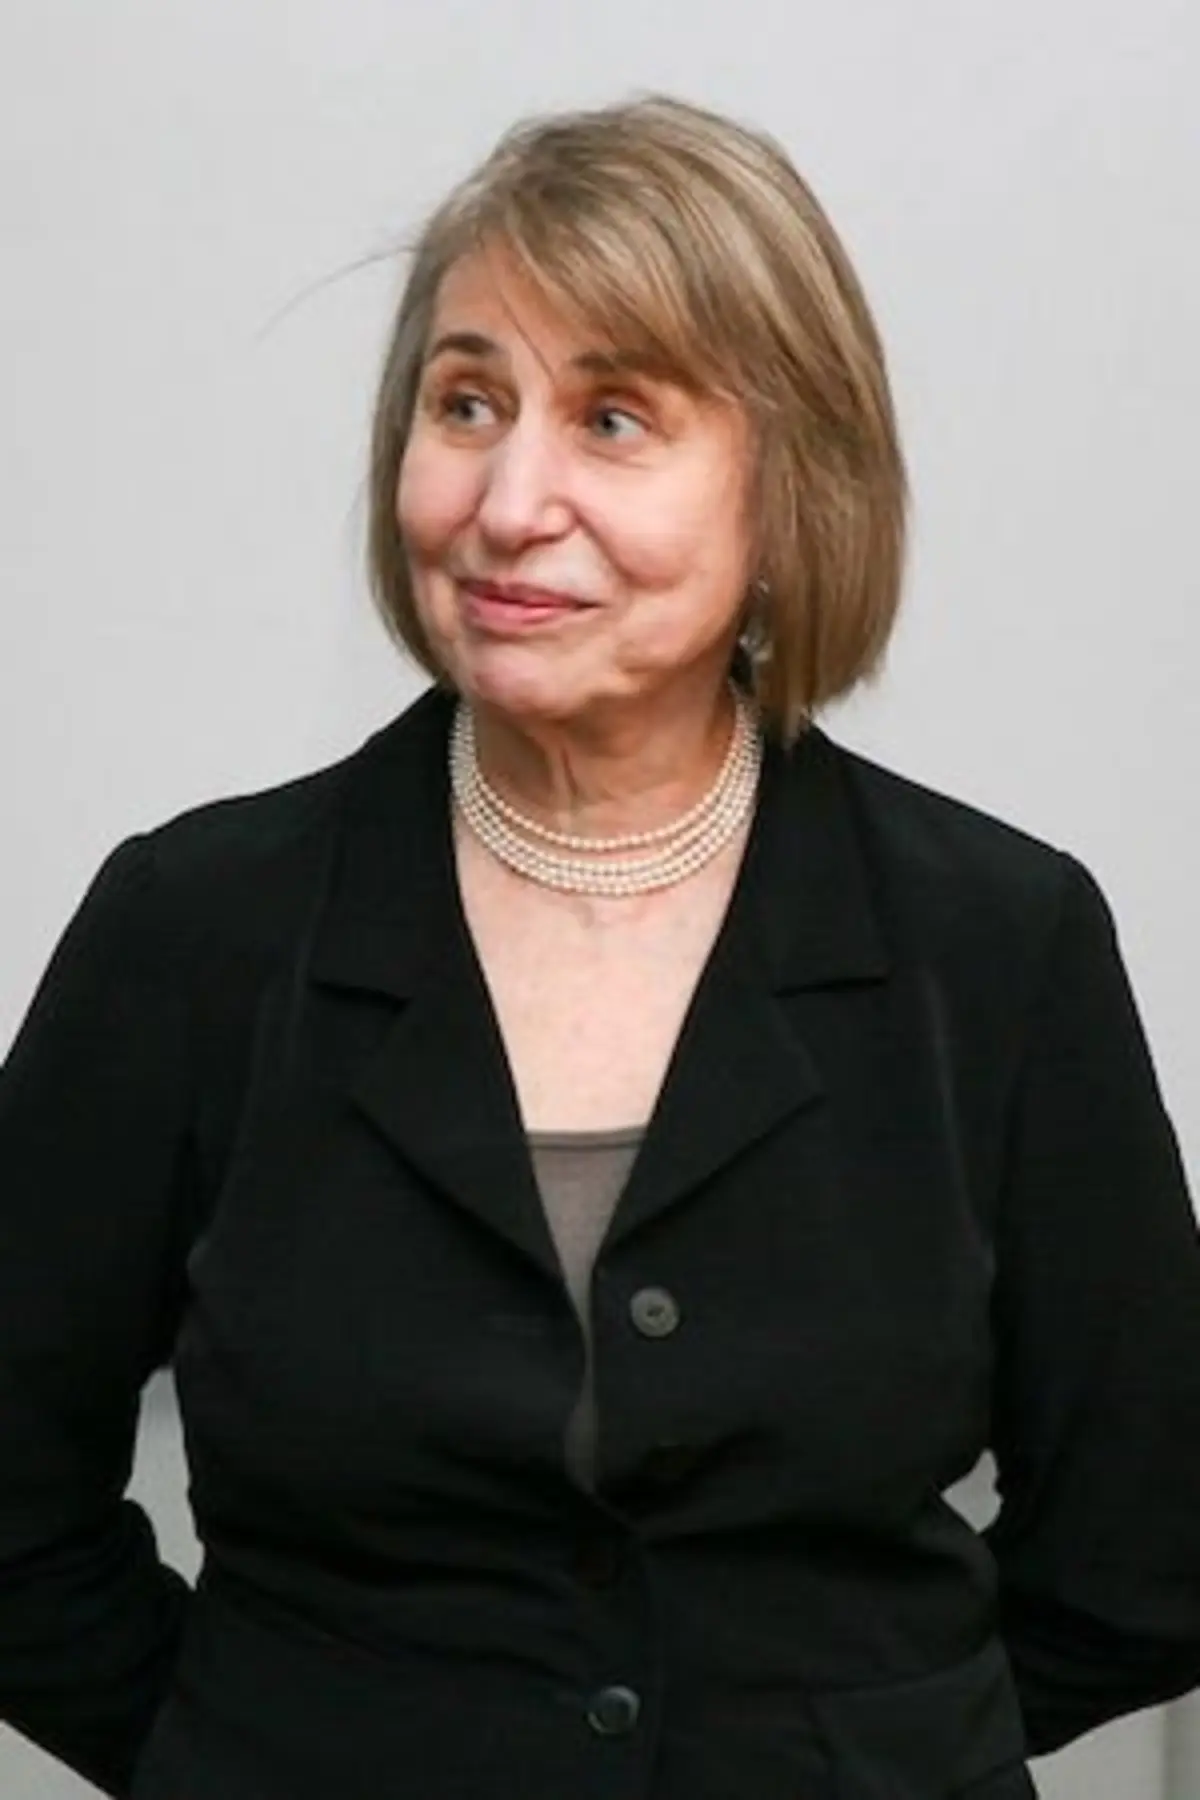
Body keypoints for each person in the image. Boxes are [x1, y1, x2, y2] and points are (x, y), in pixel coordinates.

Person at [1, 92, 1197, 1800]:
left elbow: (1145, 1556)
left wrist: (867, 1754)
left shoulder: (1001, 946)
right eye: (467, 403)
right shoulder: (194, 931)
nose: (508, 501)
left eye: (615, 417)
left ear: (791, 489)